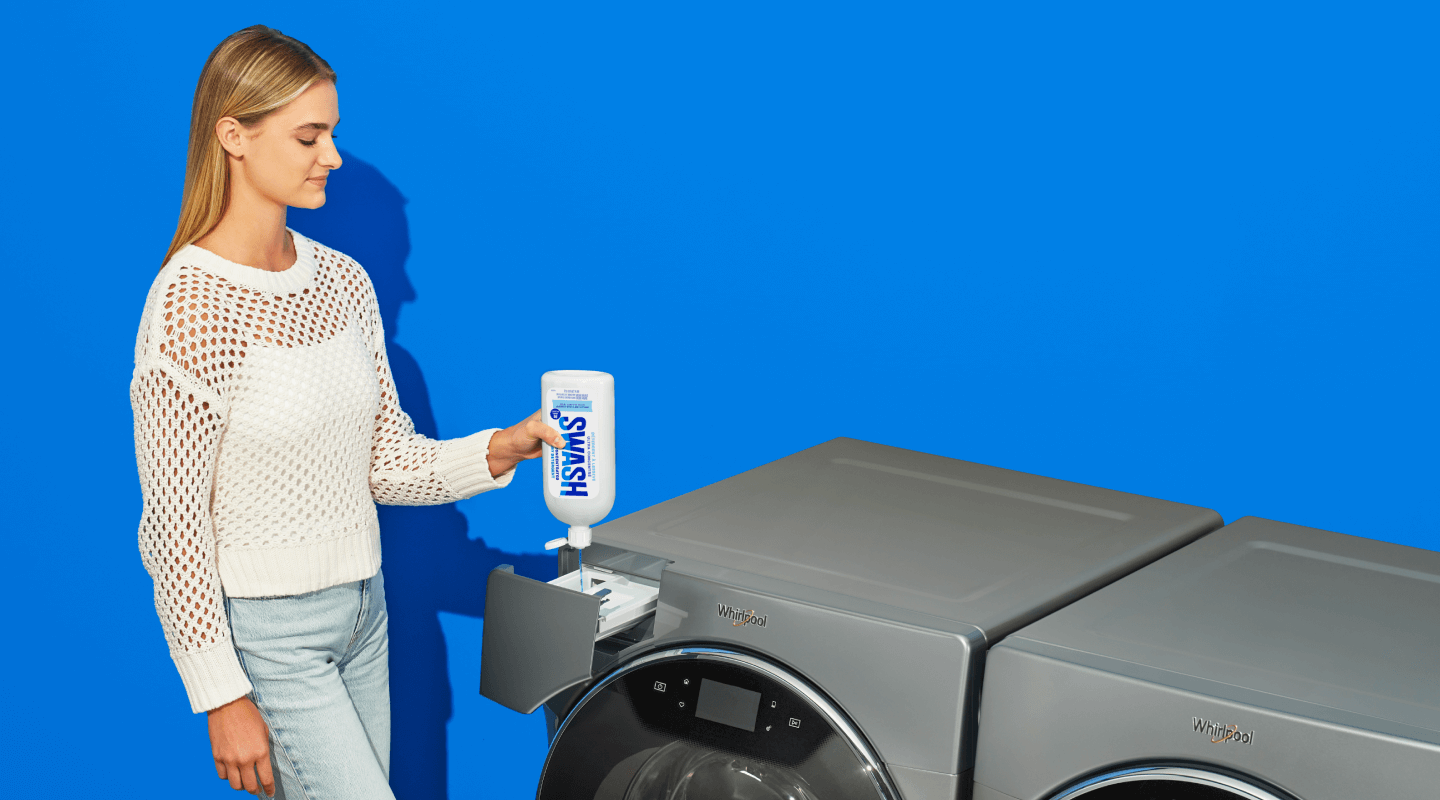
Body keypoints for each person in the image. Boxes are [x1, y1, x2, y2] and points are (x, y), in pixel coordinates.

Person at [130, 25, 563, 799]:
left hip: (368, 613)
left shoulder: (342, 282)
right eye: (309, 135)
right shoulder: (189, 306)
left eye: (332, 133)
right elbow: (174, 528)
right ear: (234, 135)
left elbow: (385, 461)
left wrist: (504, 447)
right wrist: (220, 693)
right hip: (270, 636)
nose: (331, 155)